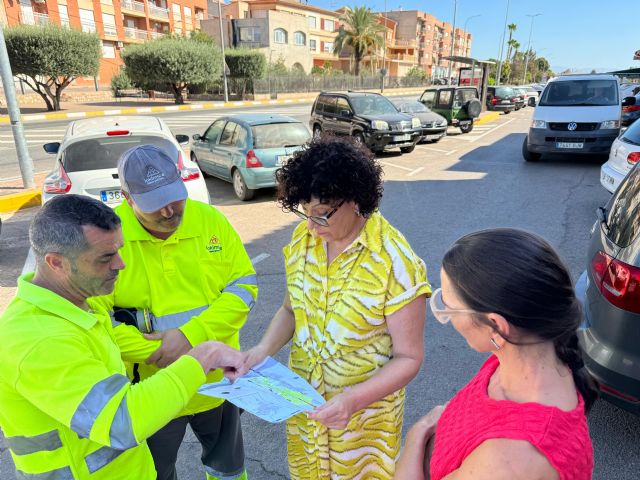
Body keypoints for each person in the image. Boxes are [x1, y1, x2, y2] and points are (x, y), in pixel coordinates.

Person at [0, 195, 244, 479]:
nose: (121, 264)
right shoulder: (38, 340)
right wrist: (205, 355)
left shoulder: (80, 305)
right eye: (106, 257)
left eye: (119, 250)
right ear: (56, 263)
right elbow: (121, 421)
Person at [239, 136, 431, 479]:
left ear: (355, 200)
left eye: (322, 215)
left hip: (362, 427)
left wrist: (352, 400)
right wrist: (262, 351)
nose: (311, 226)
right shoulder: (303, 240)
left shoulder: (394, 261)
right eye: (304, 212)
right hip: (306, 412)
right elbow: (290, 310)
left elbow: (409, 358)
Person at [94, 145, 257, 480]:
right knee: (155, 472)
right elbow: (98, 320)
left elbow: (243, 287)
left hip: (217, 383)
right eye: (155, 204)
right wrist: (158, 350)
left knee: (228, 468)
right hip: (150, 392)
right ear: (127, 197)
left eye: (174, 197)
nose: (169, 211)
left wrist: (188, 338)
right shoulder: (109, 237)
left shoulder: (210, 220)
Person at [395, 228, 597, 480]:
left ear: (496, 326)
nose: (446, 318)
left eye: (449, 309)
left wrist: (418, 432)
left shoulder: (509, 461)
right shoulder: (524, 356)